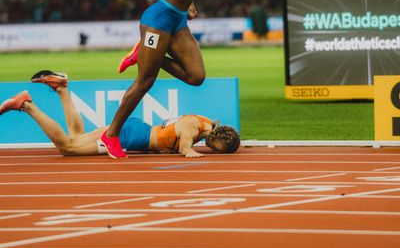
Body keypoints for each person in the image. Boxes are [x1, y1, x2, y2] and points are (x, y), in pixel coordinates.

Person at [102, 0, 207, 159]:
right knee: (145, 82)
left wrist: (190, 3)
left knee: (196, 76)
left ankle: (146, 53)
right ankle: (111, 134)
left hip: (178, 22)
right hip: (158, 21)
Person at [0, 71, 240, 157]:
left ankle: (62, 88)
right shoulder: (194, 126)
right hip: (130, 135)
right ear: (220, 139)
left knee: (76, 135)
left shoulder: (205, 124)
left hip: (135, 131)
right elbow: (185, 148)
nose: (213, 150)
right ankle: (26, 105)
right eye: (217, 149)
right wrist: (192, 153)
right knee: (67, 148)